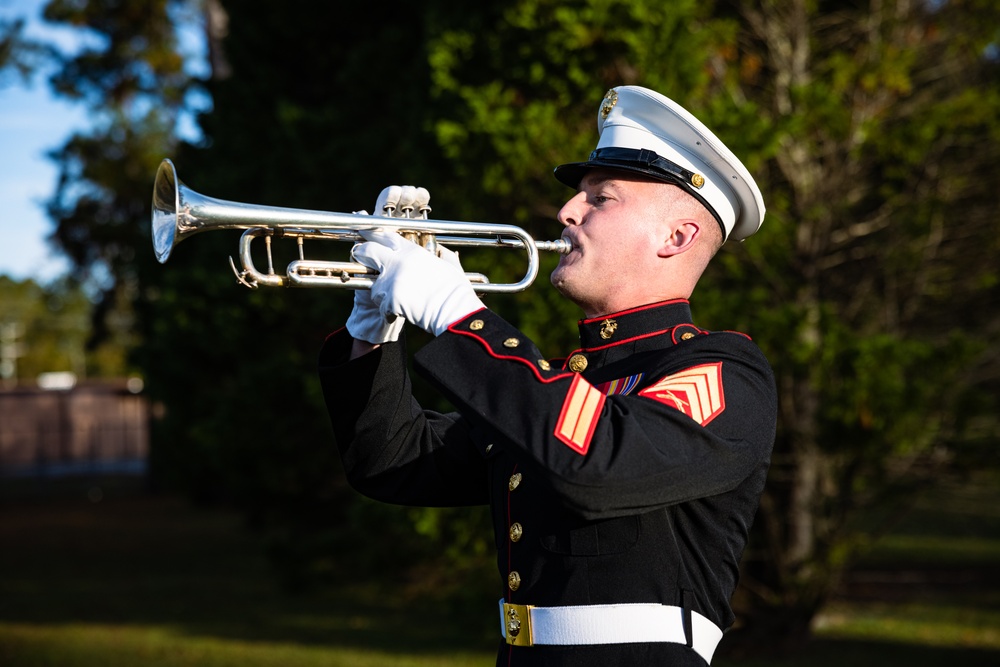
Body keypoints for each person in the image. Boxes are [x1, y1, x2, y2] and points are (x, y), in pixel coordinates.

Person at [318, 85, 776, 666]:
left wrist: (461, 317)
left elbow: (595, 462)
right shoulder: (556, 387)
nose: (567, 212)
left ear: (676, 236)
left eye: (600, 198)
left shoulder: (722, 371)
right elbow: (392, 460)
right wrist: (371, 330)